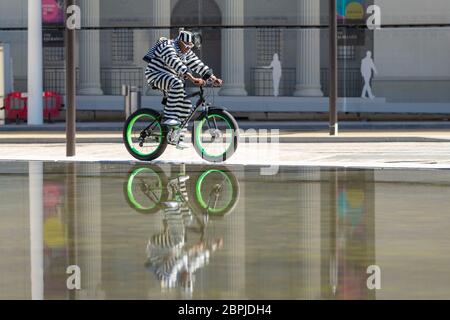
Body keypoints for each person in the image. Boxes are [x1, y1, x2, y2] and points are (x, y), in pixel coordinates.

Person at [143, 29, 223, 149]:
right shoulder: (167, 46)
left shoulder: (186, 51)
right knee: (176, 83)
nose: (188, 49)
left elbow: (197, 64)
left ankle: (177, 139)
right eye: (187, 46)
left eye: (191, 47)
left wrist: (212, 77)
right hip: (155, 75)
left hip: (171, 77)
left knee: (186, 105)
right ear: (180, 41)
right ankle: (170, 118)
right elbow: (174, 62)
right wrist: (191, 77)